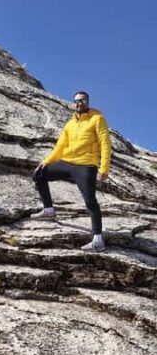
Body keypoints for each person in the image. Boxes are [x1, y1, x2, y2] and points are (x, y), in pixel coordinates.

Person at [33, 91, 111, 252]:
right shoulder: (70, 124)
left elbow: (105, 144)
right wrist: (46, 162)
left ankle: (98, 240)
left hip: (86, 165)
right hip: (67, 162)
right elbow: (60, 146)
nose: (79, 103)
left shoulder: (98, 119)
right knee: (39, 174)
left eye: (82, 100)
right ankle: (49, 210)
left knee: (90, 201)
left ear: (87, 101)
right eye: (76, 101)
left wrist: (104, 168)